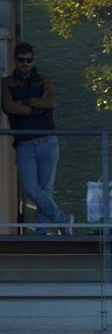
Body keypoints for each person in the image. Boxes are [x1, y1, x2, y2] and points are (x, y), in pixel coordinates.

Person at [3, 43, 72, 234]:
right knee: (31, 189)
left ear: (34, 60)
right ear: (14, 60)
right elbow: (9, 107)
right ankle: (62, 219)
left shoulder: (44, 80)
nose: (25, 64)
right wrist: (36, 108)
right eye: (21, 60)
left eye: (29, 60)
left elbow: (51, 103)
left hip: (48, 141)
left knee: (45, 189)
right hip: (25, 144)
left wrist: (26, 103)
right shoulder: (7, 83)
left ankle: (42, 233)